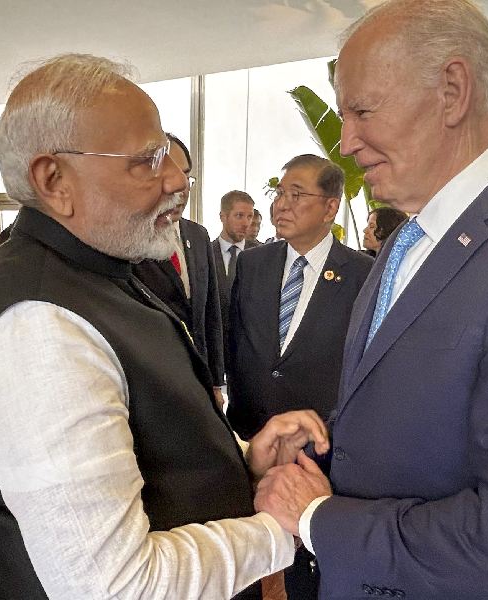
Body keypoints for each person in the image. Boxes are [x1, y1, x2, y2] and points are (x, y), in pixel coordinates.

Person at [254, 1, 488, 598]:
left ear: (453, 90)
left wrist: (317, 518)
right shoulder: (404, 244)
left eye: (360, 111)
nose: (345, 143)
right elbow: (427, 437)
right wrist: (319, 452)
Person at [0, 53, 328, 599]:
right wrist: (280, 528)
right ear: (54, 180)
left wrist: (239, 461)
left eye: (167, 153)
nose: (176, 179)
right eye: (147, 160)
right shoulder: (39, 328)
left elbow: (143, 453)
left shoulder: (101, 270)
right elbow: (114, 585)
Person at [227, 155, 373, 598]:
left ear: (331, 208)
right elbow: (238, 341)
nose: (281, 206)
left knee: (310, 562)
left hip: (318, 445)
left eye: (297, 195)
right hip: (252, 436)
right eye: (279, 194)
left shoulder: (362, 274)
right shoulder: (253, 264)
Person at [133, 133, 227, 409]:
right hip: (153, 388)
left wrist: (215, 381)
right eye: (169, 173)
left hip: (198, 380)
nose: (181, 186)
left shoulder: (197, 236)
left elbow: (210, 314)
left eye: (186, 175)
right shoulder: (130, 240)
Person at [212, 190, 259, 371]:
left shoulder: (262, 255)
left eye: (250, 216)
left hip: (250, 354)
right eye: (239, 216)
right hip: (216, 352)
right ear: (223, 216)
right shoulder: (205, 253)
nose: (246, 223)